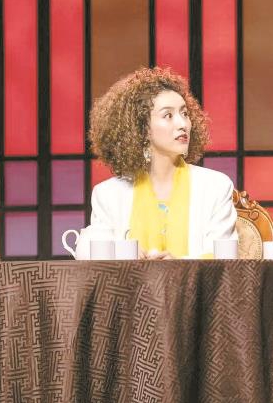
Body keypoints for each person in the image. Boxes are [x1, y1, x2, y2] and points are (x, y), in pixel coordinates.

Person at [85, 66, 237, 259]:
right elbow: (97, 259)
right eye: (168, 115)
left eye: (185, 113)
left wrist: (178, 267)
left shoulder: (216, 186)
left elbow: (225, 260)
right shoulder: (108, 195)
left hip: (195, 280)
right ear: (142, 129)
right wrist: (125, 257)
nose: (183, 124)